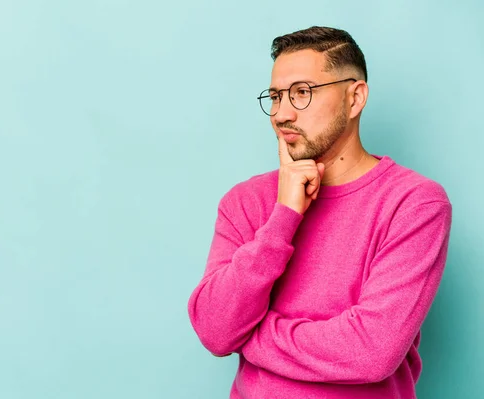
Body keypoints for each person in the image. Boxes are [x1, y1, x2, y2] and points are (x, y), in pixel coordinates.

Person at [187, 26, 452, 399]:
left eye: (301, 93)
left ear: (355, 98)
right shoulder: (245, 202)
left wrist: (250, 333)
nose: (281, 114)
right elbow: (215, 331)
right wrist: (283, 216)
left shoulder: (414, 204)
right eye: (276, 96)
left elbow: (372, 352)